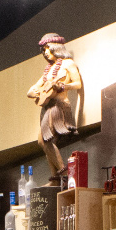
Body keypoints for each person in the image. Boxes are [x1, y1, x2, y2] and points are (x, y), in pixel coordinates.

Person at [26, 32, 83, 186]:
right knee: (45, 141)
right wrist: (36, 93)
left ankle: (63, 174)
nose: (45, 53)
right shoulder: (49, 69)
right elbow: (31, 90)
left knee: (44, 140)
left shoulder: (68, 64)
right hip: (47, 107)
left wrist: (63, 86)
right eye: (43, 50)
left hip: (59, 105)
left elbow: (78, 83)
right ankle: (55, 178)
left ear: (55, 47)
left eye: (47, 48)